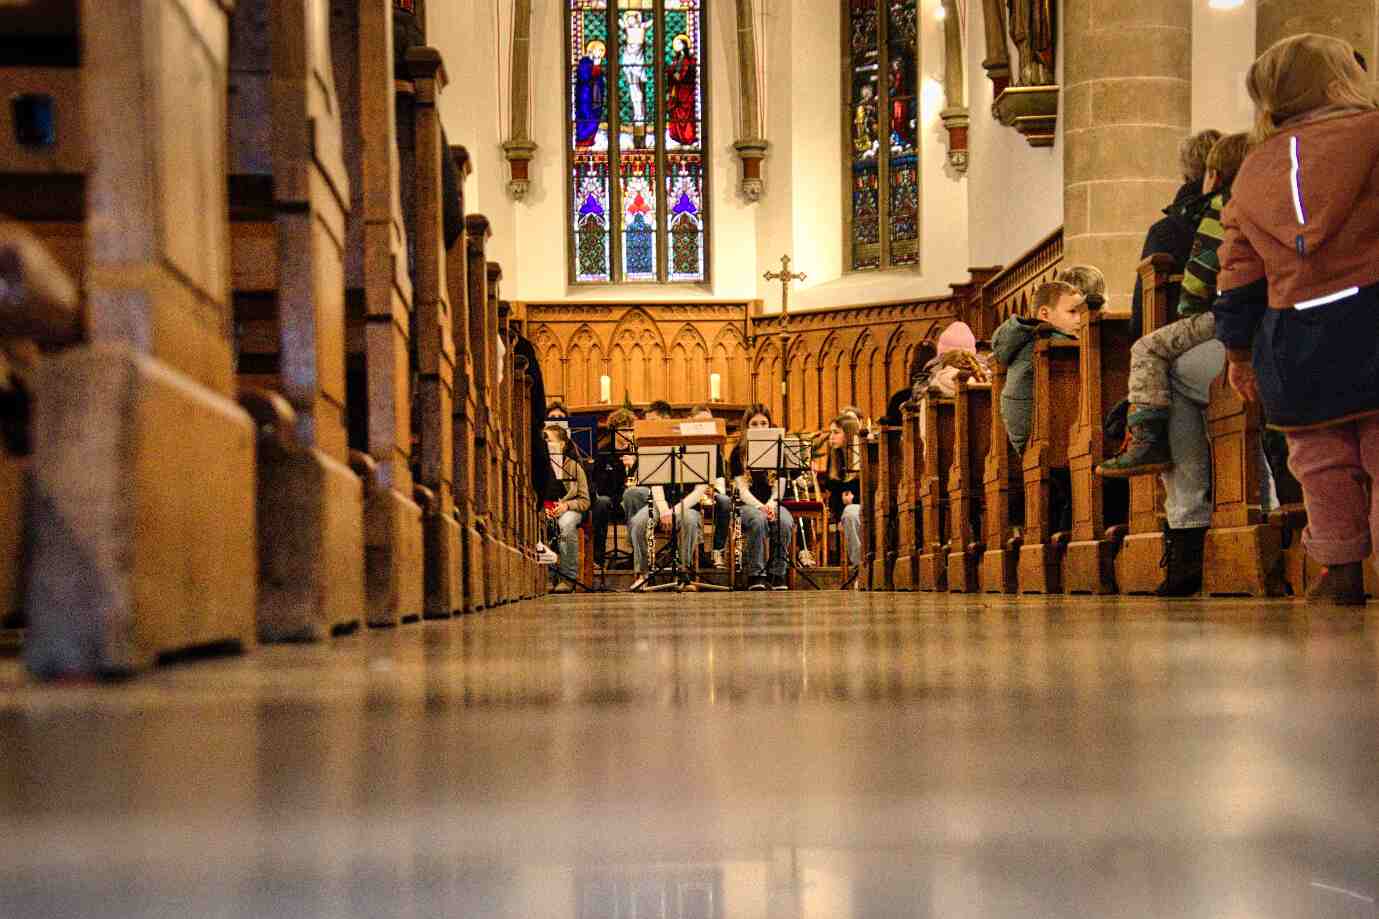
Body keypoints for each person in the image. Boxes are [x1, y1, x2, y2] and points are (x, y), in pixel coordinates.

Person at [1214, 33, 1379, 605]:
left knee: (1320, 459)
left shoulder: (1253, 170)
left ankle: (1340, 571)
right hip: (1372, 316)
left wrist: (1237, 352)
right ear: (1342, 81)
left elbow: (1236, 272)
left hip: (1296, 339)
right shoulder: (1374, 136)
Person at [1129, 129, 1224, 340]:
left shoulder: (1164, 232)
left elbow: (1140, 316)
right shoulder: (1243, 214)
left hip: (1187, 340)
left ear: (1185, 174)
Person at [991, 279, 1083, 455]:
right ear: (1045, 314)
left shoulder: (1029, 340)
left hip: (1037, 436)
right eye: (1072, 312)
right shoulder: (1047, 345)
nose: (1080, 319)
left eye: (1080, 312)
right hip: (1042, 438)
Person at [628, 405, 706, 591]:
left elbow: (700, 488)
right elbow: (656, 482)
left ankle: (684, 572)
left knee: (689, 520)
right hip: (659, 504)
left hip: (687, 505)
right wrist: (663, 510)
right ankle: (644, 573)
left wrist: (674, 511)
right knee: (639, 522)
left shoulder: (698, 447)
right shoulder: (652, 446)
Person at [730, 404, 795, 590]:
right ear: (747, 427)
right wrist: (761, 507)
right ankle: (755, 574)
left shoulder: (778, 449)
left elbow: (780, 485)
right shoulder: (738, 453)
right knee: (758, 520)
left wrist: (771, 505)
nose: (759, 428)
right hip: (747, 505)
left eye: (764, 423)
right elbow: (742, 490)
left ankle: (777, 573)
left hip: (773, 503)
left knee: (784, 521)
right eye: (754, 424)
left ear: (770, 425)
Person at [543, 425, 591, 594]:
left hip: (569, 509)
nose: (545, 443)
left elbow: (585, 501)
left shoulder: (573, 466)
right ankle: (545, 577)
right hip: (545, 510)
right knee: (539, 524)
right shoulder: (539, 466)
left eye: (549, 440)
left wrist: (566, 506)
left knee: (566, 524)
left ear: (562, 445)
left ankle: (568, 578)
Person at [589, 408, 637, 569]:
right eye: (623, 430)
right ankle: (598, 559)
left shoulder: (638, 451)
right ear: (614, 430)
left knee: (637, 500)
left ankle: (635, 557)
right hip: (610, 499)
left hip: (631, 498)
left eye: (631, 431)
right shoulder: (603, 451)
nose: (628, 435)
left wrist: (635, 464)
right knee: (601, 503)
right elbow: (598, 484)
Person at [819, 413, 863, 579]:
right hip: (848, 514)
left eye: (836, 432)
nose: (831, 437)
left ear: (849, 434)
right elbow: (835, 496)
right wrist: (838, 519)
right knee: (849, 514)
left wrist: (855, 499)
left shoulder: (863, 456)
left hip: (866, 508)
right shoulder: (835, 460)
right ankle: (859, 567)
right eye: (831, 433)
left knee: (851, 512)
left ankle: (861, 568)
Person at [690, 404, 732, 568]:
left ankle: (718, 550)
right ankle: (698, 551)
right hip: (690, 494)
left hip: (709, 492)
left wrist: (714, 490)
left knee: (725, 501)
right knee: (692, 505)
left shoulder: (716, 450)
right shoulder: (684, 446)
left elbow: (720, 480)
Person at [622, 400, 672, 526]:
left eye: (653, 421)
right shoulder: (647, 441)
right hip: (652, 494)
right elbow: (639, 478)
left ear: (666, 419)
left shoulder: (678, 440)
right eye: (647, 421)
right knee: (631, 493)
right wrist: (634, 464)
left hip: (675, 494)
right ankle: (634, 537)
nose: (649, 425)